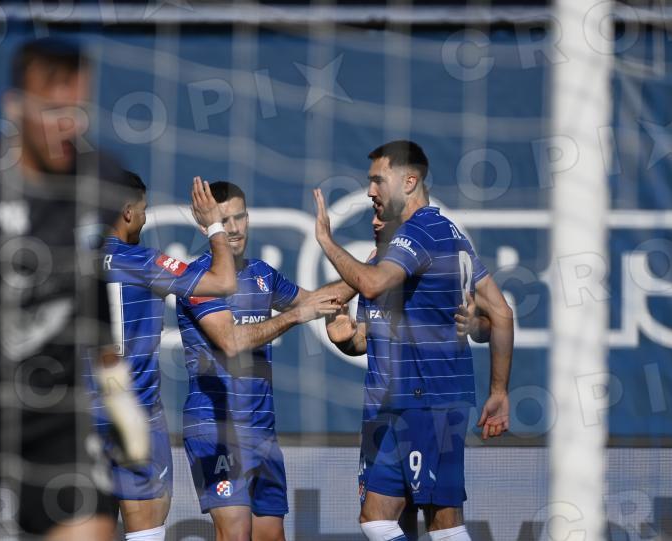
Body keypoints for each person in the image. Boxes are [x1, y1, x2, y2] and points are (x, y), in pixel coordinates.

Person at [0, 37, 148, 540]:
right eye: (52, 111)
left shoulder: (99, 180)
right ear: (15, 108)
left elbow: (88, 276)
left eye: (76, 111)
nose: (67, 125)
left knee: (91, 528)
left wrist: (115, 382)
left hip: (52, 411)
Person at [313, 140, 514, 541]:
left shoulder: (423, 232)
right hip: (396, 403)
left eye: (377, 180)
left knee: (442, 522)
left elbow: (498, 315)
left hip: (428, 401)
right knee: (379, 519)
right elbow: (499, 315)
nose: (370, 192)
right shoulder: (431, 239)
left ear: (409, 181)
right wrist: (346, 340)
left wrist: (326, 240)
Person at [176, 181, 350, 541]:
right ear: (206, 227)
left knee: (271, 536)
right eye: (224, 220)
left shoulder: (263, 274)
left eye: (240, 217)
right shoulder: (197, 279)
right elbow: (231, 341)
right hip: (217, 427)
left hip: (262, 430)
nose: (234, 228)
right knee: (236, 534)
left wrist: (378, 268)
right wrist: (294, 316)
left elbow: (319, 300)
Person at [325, 214, 492, 539]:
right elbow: (364, 338)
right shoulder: (371, 271)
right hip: (378, 413)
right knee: (387, 521)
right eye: (373, 210)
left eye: (382, 210)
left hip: (422, 406)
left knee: (439, 519)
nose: (375, 220)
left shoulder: (437, 261)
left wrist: (474, 325)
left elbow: (492, 321)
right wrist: (344, 339)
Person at [91, 171, 237, 541]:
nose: (144, 219)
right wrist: (214, 226)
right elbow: (223, 281)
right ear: (127, 212)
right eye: (143, 211)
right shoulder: (144, 262)